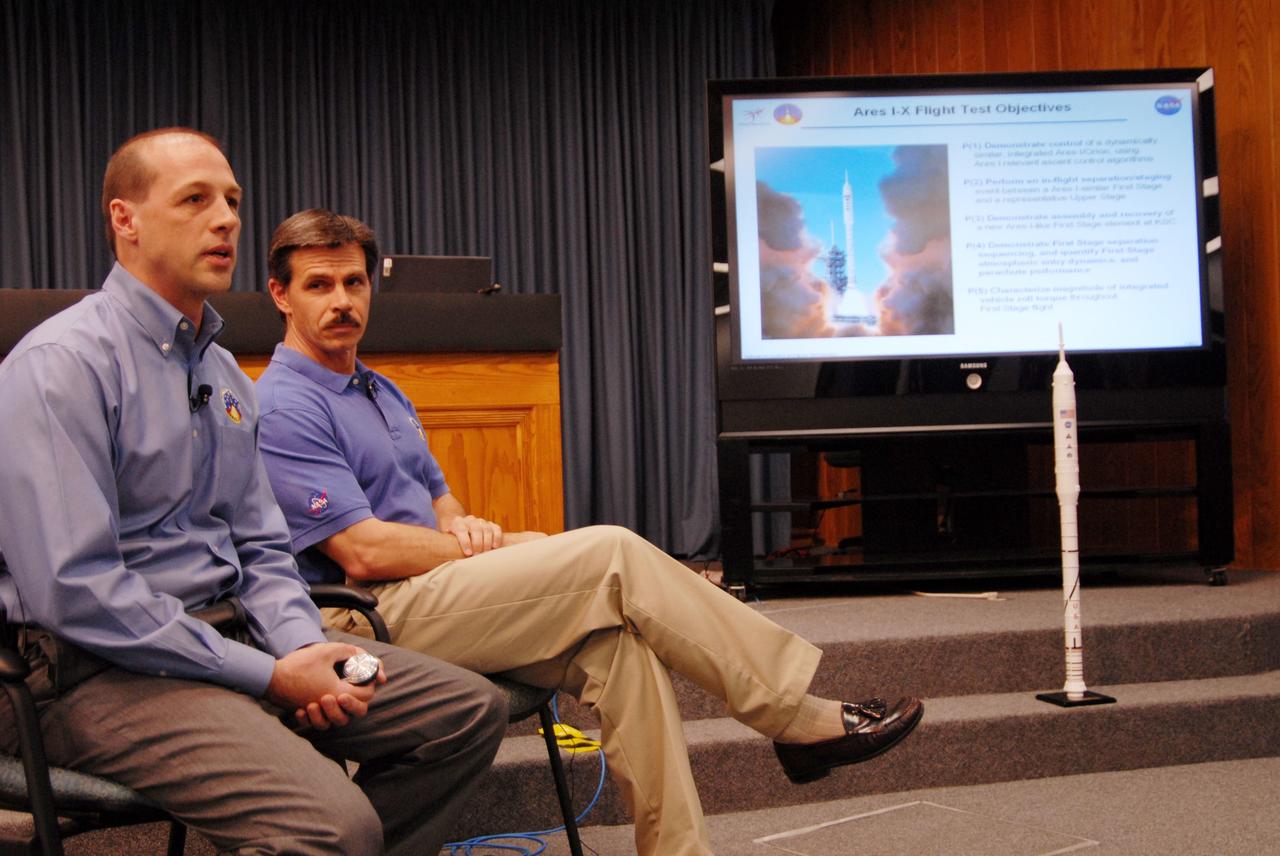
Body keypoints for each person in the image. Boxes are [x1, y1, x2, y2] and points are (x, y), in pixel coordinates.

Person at [255, 209, 924, 856]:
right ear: (280, 294)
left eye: (353, 282)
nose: (341, 300)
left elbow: (441, 503)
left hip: (434, 593)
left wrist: (468, 527)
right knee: (610, 553)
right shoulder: (286, 404)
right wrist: (496, 546)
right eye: (319, 285)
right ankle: (790, 715)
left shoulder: (381, 390)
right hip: (360, 619)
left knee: (618, 650)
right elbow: (363, 551)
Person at [0, 131, 508, 855]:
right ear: (125, 219)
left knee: (465, 711)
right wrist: (270, 674)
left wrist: (302, 647)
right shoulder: (62, 367)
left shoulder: (226, 379)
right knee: (333, 826)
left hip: (231, 636)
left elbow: (263, 547)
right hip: (94, 674)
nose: (228, 219)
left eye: (233, 201)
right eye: (196, 200)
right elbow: (76, 589)